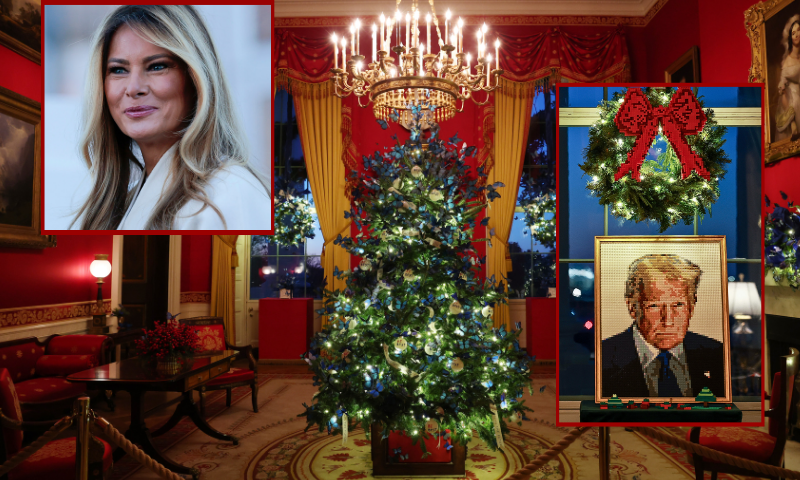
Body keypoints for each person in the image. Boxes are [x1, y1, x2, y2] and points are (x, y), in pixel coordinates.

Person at [71, 5, 271, 230]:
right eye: (118, 70)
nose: (134, 88)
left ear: (195, 79)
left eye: (157, 66)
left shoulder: (230, 193)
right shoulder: (124, 202)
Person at [601, 254, 725, 399]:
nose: (668, 321)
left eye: (678, 305)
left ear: (691, 307)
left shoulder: (716, 354)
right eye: (654, 306)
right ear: (632, 307)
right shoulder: (604, 356)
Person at [775, 15, 800, 142]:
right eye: (793, 32)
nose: (796, 35)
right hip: (794, 99)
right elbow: (782, 89)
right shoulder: (787, 62)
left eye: (798, 30)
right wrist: (792, 121)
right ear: (790, 37)